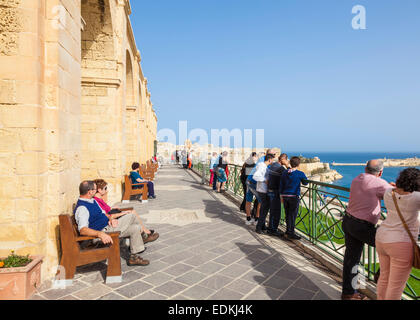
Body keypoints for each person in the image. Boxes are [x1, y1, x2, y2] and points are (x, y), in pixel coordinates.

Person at [341, 160, 394, 300]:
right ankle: (380, 274)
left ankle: (348, 293)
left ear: (365, 169)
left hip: (348, 221)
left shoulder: (357, 178)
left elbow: (372, 186)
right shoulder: (381, 184)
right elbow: (396, 197)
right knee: (393, 246)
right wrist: (392, 187)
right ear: (381, 172)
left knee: (351, 260)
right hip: (362, 227)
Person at [74, 181, 149, 266]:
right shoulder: (82, 208)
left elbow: (104, 214)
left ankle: (133, 258)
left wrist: (110, 218)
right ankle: (144, 236)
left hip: (108, 226)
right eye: (95, 189)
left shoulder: (92, 201)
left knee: (135, 228)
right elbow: (83, 230)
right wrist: (100, 234)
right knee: (131, 215)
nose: (96, 192)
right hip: (102, 232)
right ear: (90, 192)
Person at [375, 168, 420, 300]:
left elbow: (394, 190)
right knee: (396, 286)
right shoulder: (416, 197)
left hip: (382, 237)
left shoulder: (389, 192)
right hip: (400, 243)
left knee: (384, 277)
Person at [93, 179, 159, 243]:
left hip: (113, 215)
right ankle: (145, 233)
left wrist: (112, 208)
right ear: (99, 190)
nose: (107, 190)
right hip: (112, 220)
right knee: (132, 212)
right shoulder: (96, 201)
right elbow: (108, 215)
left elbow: (107, 209)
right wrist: (123, 213)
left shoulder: (100, 199)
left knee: (131, 211)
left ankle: (144, 232)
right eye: (105, 188)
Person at [244, 149, 277, 226]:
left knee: (248, 199)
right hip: (254, 182)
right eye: (274, 155)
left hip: (249, 179)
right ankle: (257, 219)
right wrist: (265, 180)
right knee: (261, 201)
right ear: (270, 156)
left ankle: (248, 219)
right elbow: (259, 173)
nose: (275, 156)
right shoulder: (265, 162)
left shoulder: (261, 159)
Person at [279, 156, 308, 240]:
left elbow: (281, 185)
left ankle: (288, 231)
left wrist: (281, 195)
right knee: (293, 215)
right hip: (293, 197)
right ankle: (291, 233)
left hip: (285, 196)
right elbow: (305, 183)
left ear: (290, 163)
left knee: (287, 214)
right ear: (298, 164)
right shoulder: (300, 173)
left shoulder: (284, 172)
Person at [266, 153, 289, 237]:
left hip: (269, 190)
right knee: (277, 212)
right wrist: (287, 165)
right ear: (283, 159)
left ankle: (270, 228)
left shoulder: (273, 165)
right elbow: (290, 174)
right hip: (275, 191)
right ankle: (273, 230)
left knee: (272, 211)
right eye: (286, 160)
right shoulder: (280, 168)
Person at [254, 154, 275, 234]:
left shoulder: (262, 166)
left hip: (262, 190)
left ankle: (262, 226)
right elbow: (255, 176)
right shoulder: (262, 166)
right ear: (270, 160)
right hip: (262, 190)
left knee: (264, 209)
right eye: (273, 160)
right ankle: (258, 227)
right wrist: (264, 180)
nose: (273, 162)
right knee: (264, 210)